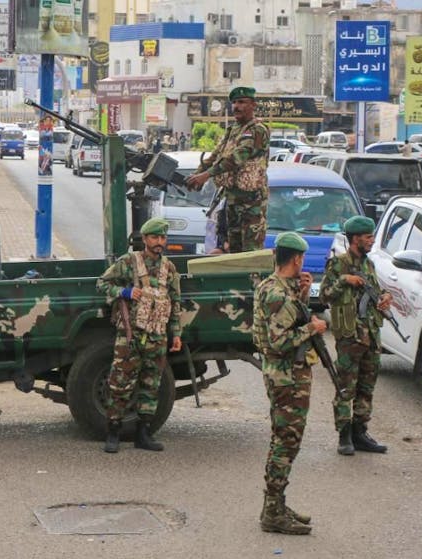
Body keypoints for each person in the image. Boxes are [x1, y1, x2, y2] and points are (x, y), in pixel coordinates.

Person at [253, 232, 326, 535]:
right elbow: (280, 340)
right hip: (286, 378)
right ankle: (273, 512)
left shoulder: (277, 287)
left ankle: (276, 504)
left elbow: (286, 320)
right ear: (296, 259)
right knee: (285, 443)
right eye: (302, 259)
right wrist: (313, 327)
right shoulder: (278, 294)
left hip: (285, 376)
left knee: (284, 441)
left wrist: (304, 296)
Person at [96, 217, 182, 454]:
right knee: (120, 383)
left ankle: (143, 433)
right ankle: (113, 432)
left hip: (157, 336)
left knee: (151, 384)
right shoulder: (129, 263)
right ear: (144, 239)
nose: (159, 242)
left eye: (163, 238)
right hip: (130, 335)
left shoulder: (169, 268)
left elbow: (175, 302)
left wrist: (175, 333)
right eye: (155, 237)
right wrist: (123, 291)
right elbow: (102, 284)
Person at [319, 216, 392, 457]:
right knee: (345, 388)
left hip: (371, 335)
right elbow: (325, 295)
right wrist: (344, 280)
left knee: (366, 387)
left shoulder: (368, 264)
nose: (372, 241)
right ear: (355, 239)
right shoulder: (338, 263)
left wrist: (383, 299)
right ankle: (344, 435)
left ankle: (361, 432)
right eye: (368, 237)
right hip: (350, 337)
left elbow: (374, 291)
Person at [185, 86, 270, 253]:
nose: (236, 107)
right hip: (232, 202)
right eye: (234, 103)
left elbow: (237, 158)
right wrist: (196, 175)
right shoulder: (233, 130)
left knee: (250, 254)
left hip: (251, 204)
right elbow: (215, 156)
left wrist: (205, 176)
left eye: (242, 102)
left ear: (253, 105)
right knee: (234, 252)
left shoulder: (258, 130)